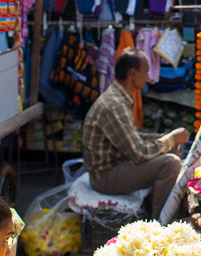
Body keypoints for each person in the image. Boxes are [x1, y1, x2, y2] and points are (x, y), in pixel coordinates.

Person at [82, 48, 191, 220]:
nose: (148, 77)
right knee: (171, 163)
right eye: (146, 72)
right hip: (105, 177)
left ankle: (163, 211)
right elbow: (139, 153)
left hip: (114, 166)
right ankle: (162, 223)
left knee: (169, 149)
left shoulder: (118, 97)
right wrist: (171, 139)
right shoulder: (115, 104)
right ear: (133, 73)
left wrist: (168, 138)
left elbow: (134, 138)